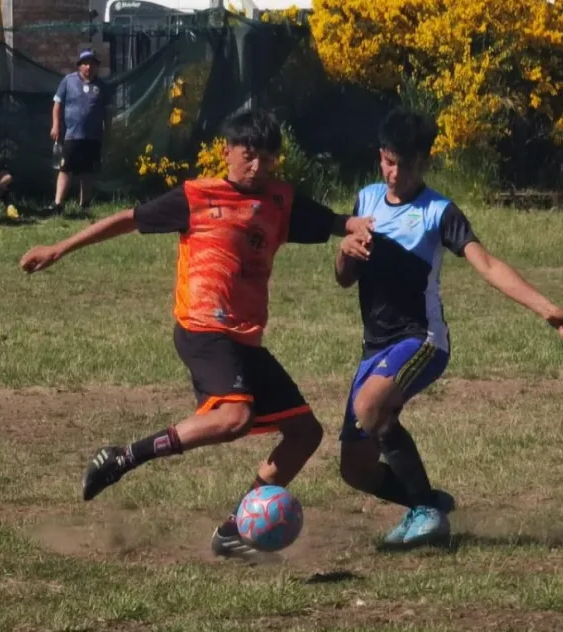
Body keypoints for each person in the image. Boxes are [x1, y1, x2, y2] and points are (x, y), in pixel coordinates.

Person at [20, 109, 373, 559]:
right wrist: (60, 248)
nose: (258, 168)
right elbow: (128, 218)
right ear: (227, 151)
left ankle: (232, 530)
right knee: (235, 418)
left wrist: (353, 224)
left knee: (304, 433)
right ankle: (124, 457)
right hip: (203, 329)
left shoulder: (279, 201)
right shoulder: (197, 196)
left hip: (245, 340)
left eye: (268, 159)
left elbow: (329, 220)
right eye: (249, 157)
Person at [335, 108, 563, 548]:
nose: (395, 174)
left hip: (421, 340)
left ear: (424, 163)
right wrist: (345, 250)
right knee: (354, 468)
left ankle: (426, 513)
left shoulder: (439, 212)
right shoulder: (366, 200)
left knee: (370, 406)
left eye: (406, 164)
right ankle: (427, 500)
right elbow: (343, 277)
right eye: (389, 162)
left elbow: (486, 264)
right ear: (380, 157)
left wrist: (546, 308)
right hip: (373, 346)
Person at [47, 50, 111, 215]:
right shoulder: (68, 81)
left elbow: (107, 112)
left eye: (92, 64)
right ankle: (58, 204)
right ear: (79, 66)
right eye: (85, 63)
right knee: (65, 168)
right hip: (72, 135)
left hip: (93, 136)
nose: (88, 67)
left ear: (96, 67)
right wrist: (56, 125)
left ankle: (85, 205)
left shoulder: (102, 87)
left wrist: (108, 130)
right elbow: (57, 104)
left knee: (87, 171)